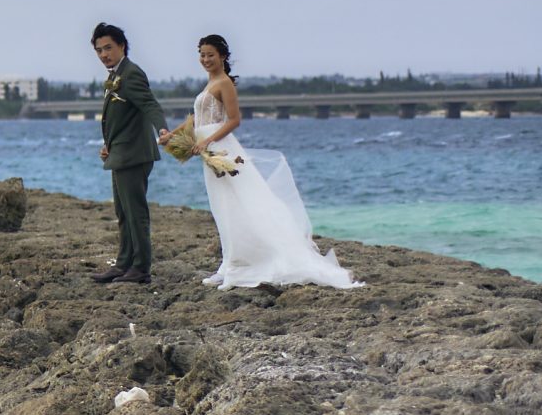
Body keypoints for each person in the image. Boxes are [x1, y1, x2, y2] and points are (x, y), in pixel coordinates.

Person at [187, 34, 360, 289]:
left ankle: (234, 265)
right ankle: (229, 262)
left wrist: (208, 141)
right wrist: (176, 136)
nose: (205, 59)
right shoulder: (209, 83)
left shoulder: (224, 83)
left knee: (236, 205)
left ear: (222, 56)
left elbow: (234, 120)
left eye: (210, 54)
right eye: (202, 54)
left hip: (222, 150)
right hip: (208, 151)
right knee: (222, 207)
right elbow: (197, 119)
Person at [91, 22, 164, 284]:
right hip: (120, 153)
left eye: (108, 48)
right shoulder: (113, 76)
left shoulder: (131, 73)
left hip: (135, 155)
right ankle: (123, 264)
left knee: (136, 214)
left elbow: (149, 104)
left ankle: (141, 268)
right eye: (99, 50)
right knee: (123, 213)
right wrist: (109, 144)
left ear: (122, 45)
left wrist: (163, 130)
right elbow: (121, 117)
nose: (103, 54)